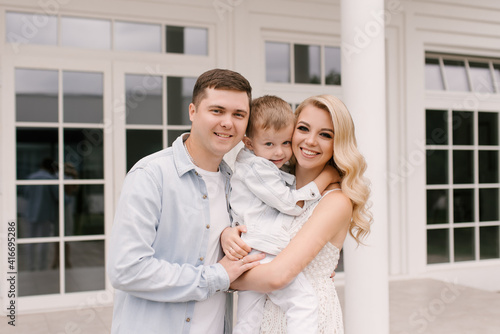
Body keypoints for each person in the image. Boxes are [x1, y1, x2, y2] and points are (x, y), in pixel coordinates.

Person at [107, 68, 265, 334]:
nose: (228, 122)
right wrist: (217, 276)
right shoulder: (152, 175)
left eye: (239, 114)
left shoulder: (236, 184)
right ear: (192, 112)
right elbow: (126, 269)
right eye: (217, 111)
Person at [225, 94, 372, 333]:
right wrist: (228, 233)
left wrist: (221, 277)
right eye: (303, 128)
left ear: (338, 143)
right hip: (266, 318)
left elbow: (278, 275)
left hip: (308, 320)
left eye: (326, 134)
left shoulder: (335, 201)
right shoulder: (275, 185)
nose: (311, 141)